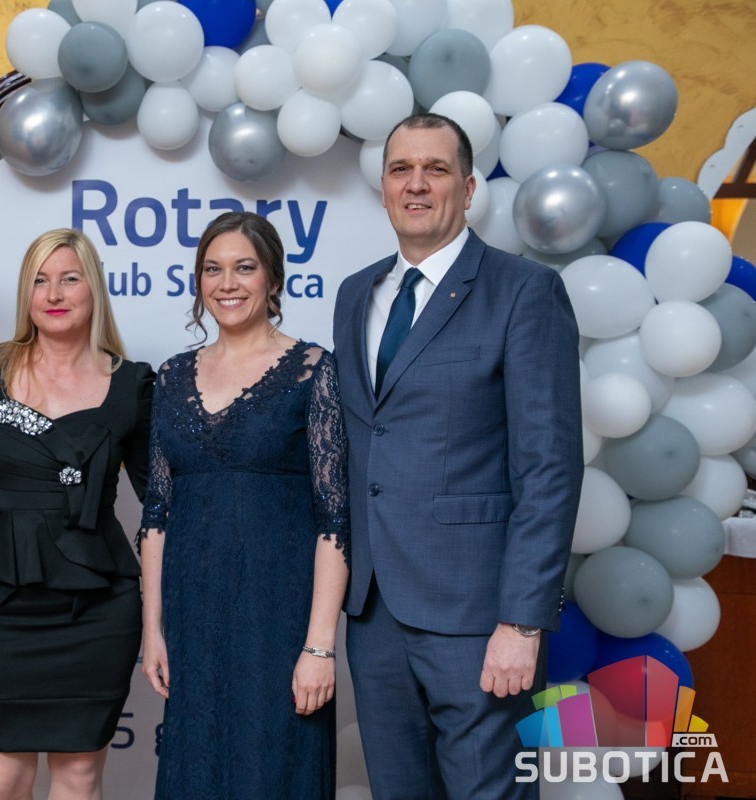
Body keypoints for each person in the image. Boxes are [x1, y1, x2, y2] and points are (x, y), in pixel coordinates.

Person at [332, 112, 583, 798]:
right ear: (384, 188)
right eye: (400, 169)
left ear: (469, 189)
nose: (416, 184)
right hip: (374, 614)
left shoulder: (523, 291)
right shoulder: (355, 294)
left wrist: (522, 621)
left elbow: (549, 469)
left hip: (479, 618)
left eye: (436, 169)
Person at [139, 211, 350, 799]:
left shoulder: (314, 370)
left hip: (278, 620)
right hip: (192, 619)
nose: (227, 283)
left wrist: (319, 645)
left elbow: (335, 520)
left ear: (273, 279)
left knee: (274, 773)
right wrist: (153, 630)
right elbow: (155, 514)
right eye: (213, 269)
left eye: (244, 268)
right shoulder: (172, 376)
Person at [0, 228, 153, 800]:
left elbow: (165, 505)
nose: (54, 293)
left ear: (94, 289)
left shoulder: (134, 384)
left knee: (79, 777)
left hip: (97, 609)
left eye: (70, 278)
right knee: (1, 782)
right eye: (40, 280)